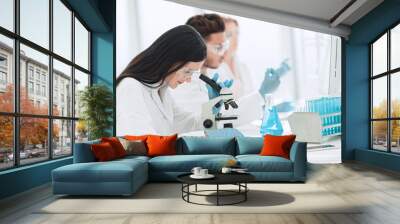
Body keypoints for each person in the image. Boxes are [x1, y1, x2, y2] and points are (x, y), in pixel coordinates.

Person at [116, 25, 207, 136]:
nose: (188, 80)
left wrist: (213, 113)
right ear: (171, 60)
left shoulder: (162, 91)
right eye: (187, 71)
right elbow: (137, 139)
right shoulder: (131, 87)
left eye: (192, 73)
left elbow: (187, 123)